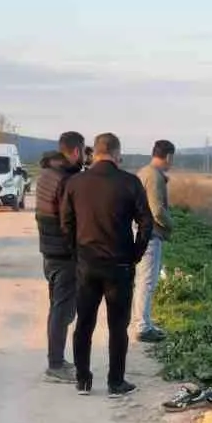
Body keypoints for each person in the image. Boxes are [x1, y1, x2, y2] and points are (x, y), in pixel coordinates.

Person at [61, 132, 153, 396]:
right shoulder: (130, 182)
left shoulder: (76, 183)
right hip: (120, 265)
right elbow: (146, 223)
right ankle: (115, 381)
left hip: (87, 264)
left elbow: (65, 224)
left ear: (96, 152)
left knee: (84, 324)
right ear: (116, 153)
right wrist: (136, 253)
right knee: (117, 327)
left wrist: (75, 252)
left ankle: (82, 378)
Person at [34, 131, 87, 383]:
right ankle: (55, 365)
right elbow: (70, 219)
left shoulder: (47, 172)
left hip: (50, 250)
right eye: (83, 152)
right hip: (65, 253)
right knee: (62, 309)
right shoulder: (66, 179)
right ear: (76, 151)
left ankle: (57, 360)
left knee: (59, 307)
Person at [135, 140, 175, 343]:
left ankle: (144, 321)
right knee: (147, 281)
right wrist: (172, 224)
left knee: (143, 280)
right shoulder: (155, 177)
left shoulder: (144, 172)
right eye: (172, 159)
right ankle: (143, 326)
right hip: (151, 234)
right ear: (168, 156)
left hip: (141, 232)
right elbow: (157, 210)